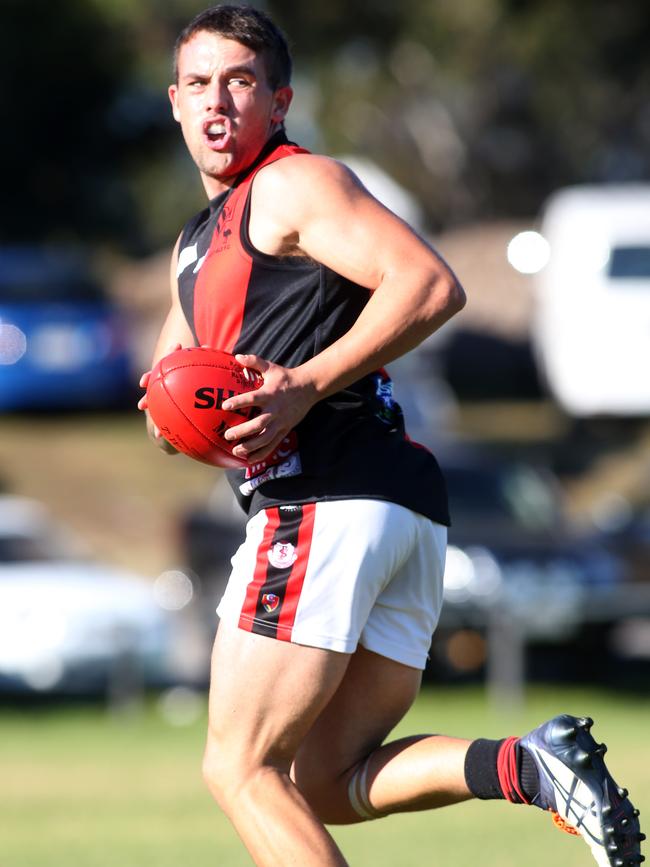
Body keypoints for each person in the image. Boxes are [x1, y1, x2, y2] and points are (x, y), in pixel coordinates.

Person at [138, 6, 644, 866]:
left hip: (321, 498)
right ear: (175, 104)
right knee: (327, 781)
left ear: (280, 99)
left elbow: (429, 284)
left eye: (239, 81)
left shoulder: (293, 185)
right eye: (197, 83)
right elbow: (166, 389)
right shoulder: (198, 240)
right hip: (392, 509)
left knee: (238, 763)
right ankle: (531, 764)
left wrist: (300, 384)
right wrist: (178, 418)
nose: (216, 100)